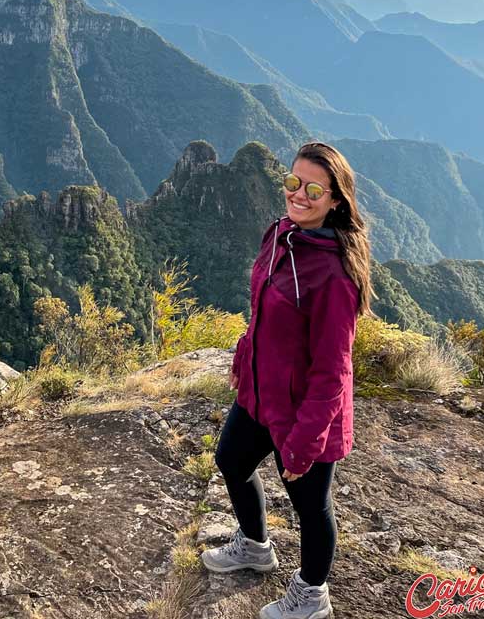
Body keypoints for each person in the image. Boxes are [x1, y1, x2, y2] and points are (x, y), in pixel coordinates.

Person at [201, 141, 375, 619]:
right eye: (292, 182)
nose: (299, 194)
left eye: (313, 188)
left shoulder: (335, 277)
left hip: (305, 412)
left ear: (336, 199)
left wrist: (305, 440)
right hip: (261, 394)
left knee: (310, 506)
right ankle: (255, 547)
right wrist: (244, 354)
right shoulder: (279, 235)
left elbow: (333, 369)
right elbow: (263, 312)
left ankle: (312, 595)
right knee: (231, 460)